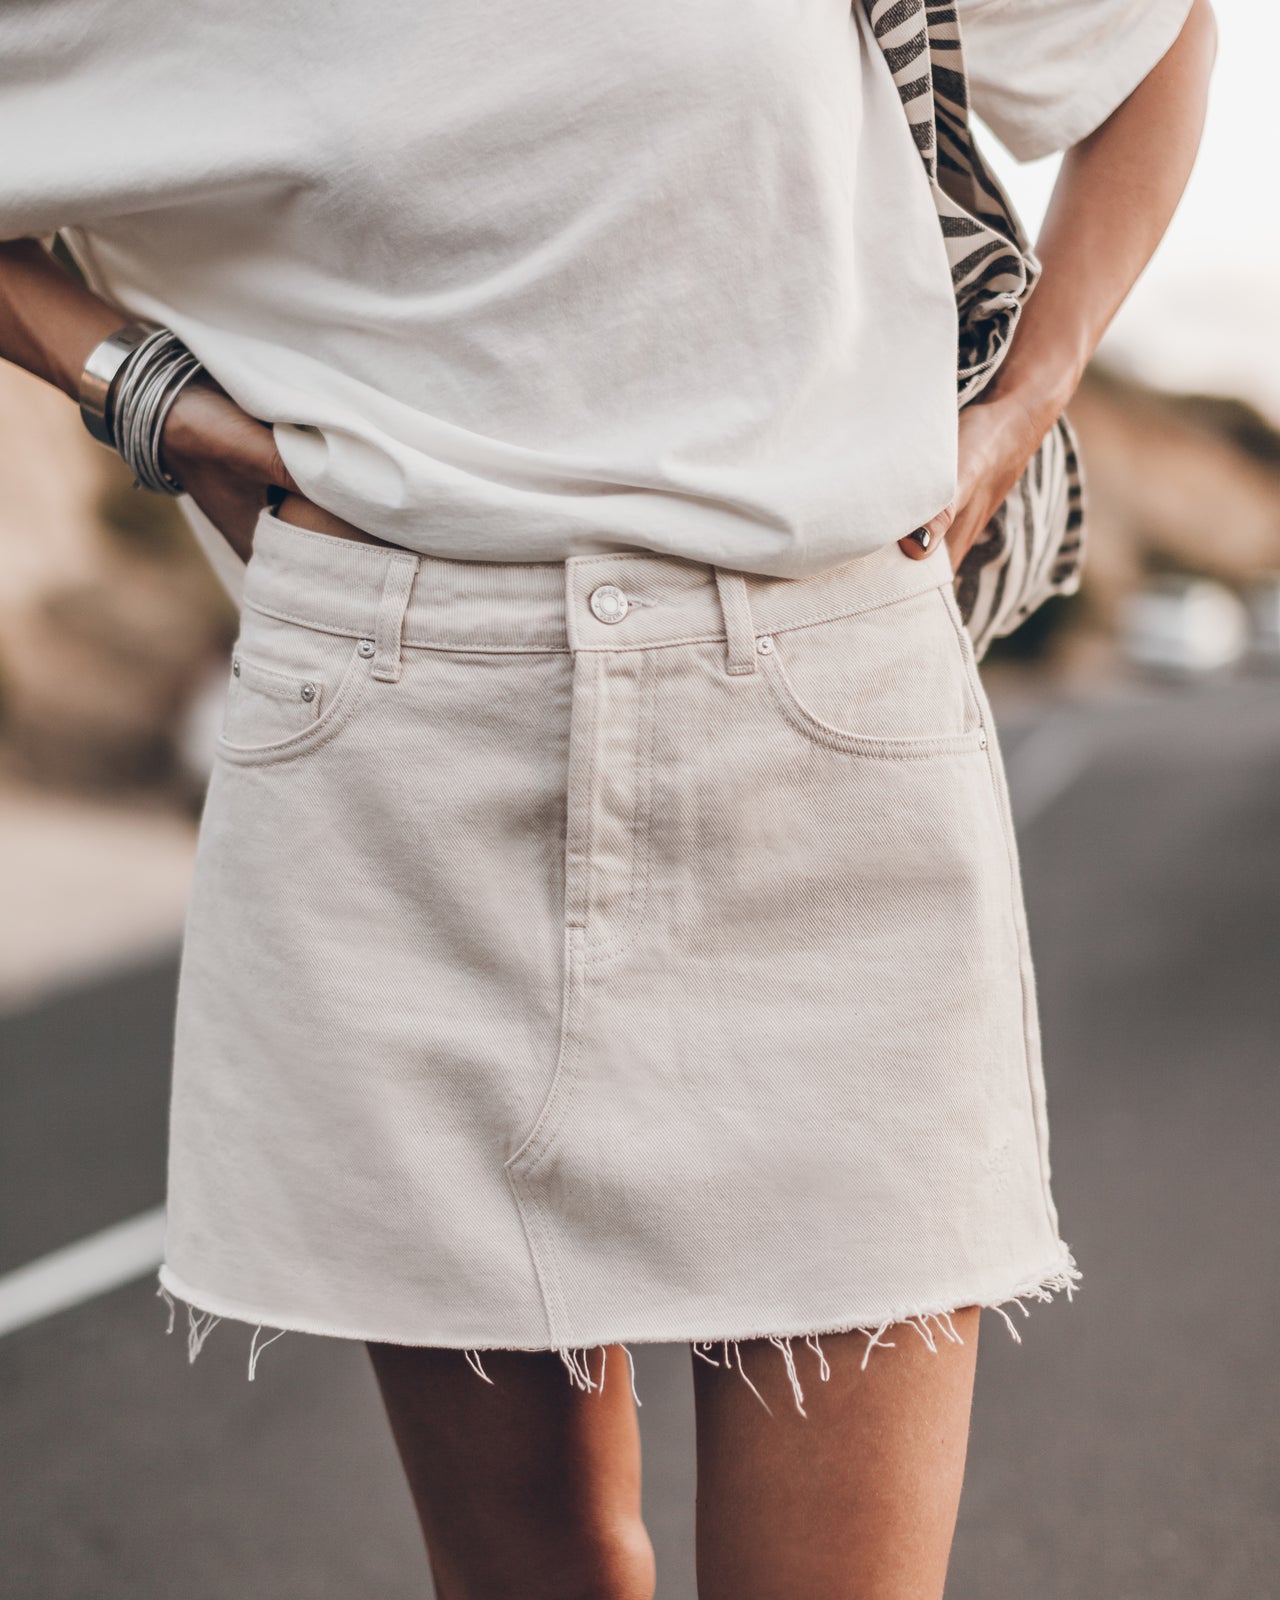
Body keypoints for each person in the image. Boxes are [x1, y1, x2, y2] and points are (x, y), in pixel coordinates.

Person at [0, 0, 1216, 1593]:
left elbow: (1157, 38)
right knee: (535, 1575)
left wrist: (1029, 398)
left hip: (820, 717)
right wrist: (140, 389)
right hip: (399, 745)